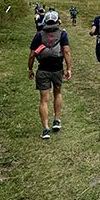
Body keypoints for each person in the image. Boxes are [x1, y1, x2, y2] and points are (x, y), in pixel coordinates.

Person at [28, 10, 71, 139]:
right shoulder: (62, 34)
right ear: (58, 21)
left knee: (43, 100)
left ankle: (45, 129)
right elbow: (66, 51)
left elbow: (32, 55)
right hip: (57, 69)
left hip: (43, 70)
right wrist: (69, 68)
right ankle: (57, 120)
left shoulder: (39, 35)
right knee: (57, 93)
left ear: (45, 21)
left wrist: (30, 69)